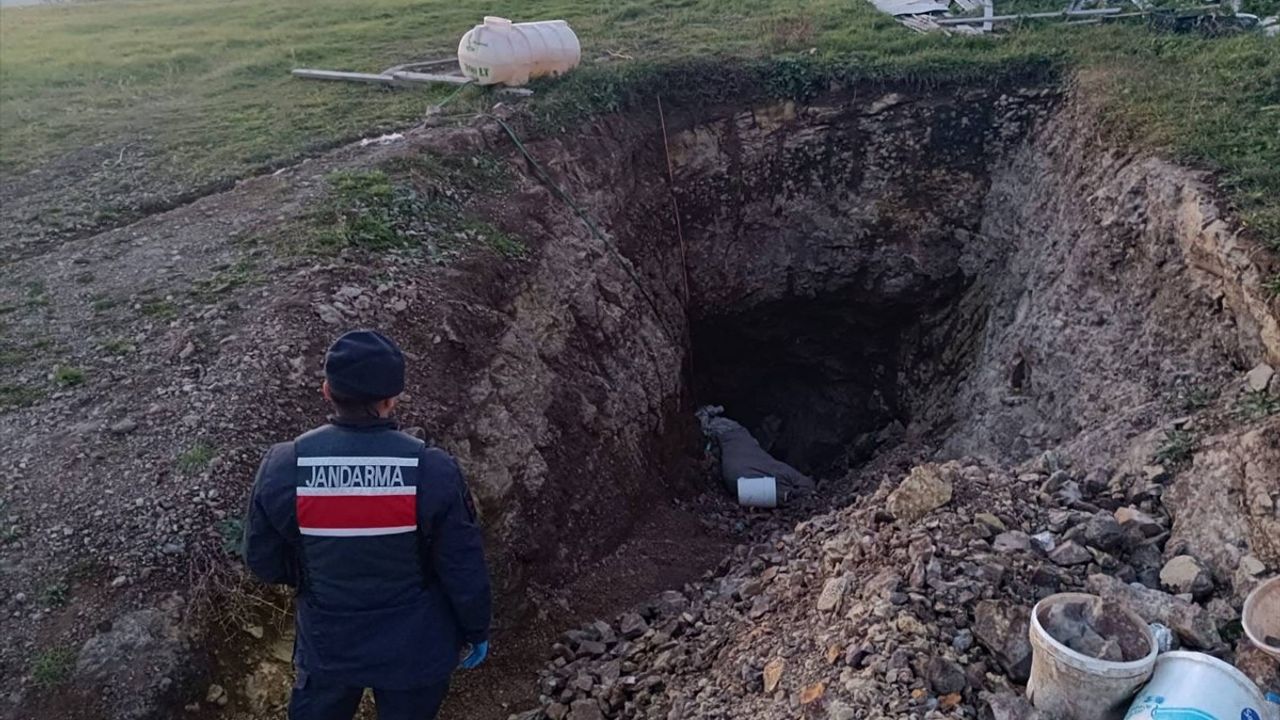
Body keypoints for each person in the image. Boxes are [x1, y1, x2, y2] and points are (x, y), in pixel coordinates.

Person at [242, 330, 491, 720]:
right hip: (414, 647)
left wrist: (316, 575)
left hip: (328, 644)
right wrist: (476, 628)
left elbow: (262, 557)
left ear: (327, 390)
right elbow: (462, 565)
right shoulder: (430, 469)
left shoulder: (286, 465)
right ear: (392, 399)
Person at [697, 405, 816, 507]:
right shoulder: (777, 471)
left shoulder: (770, 473)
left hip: (736, 475)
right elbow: (807, 486)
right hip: (736, 473)